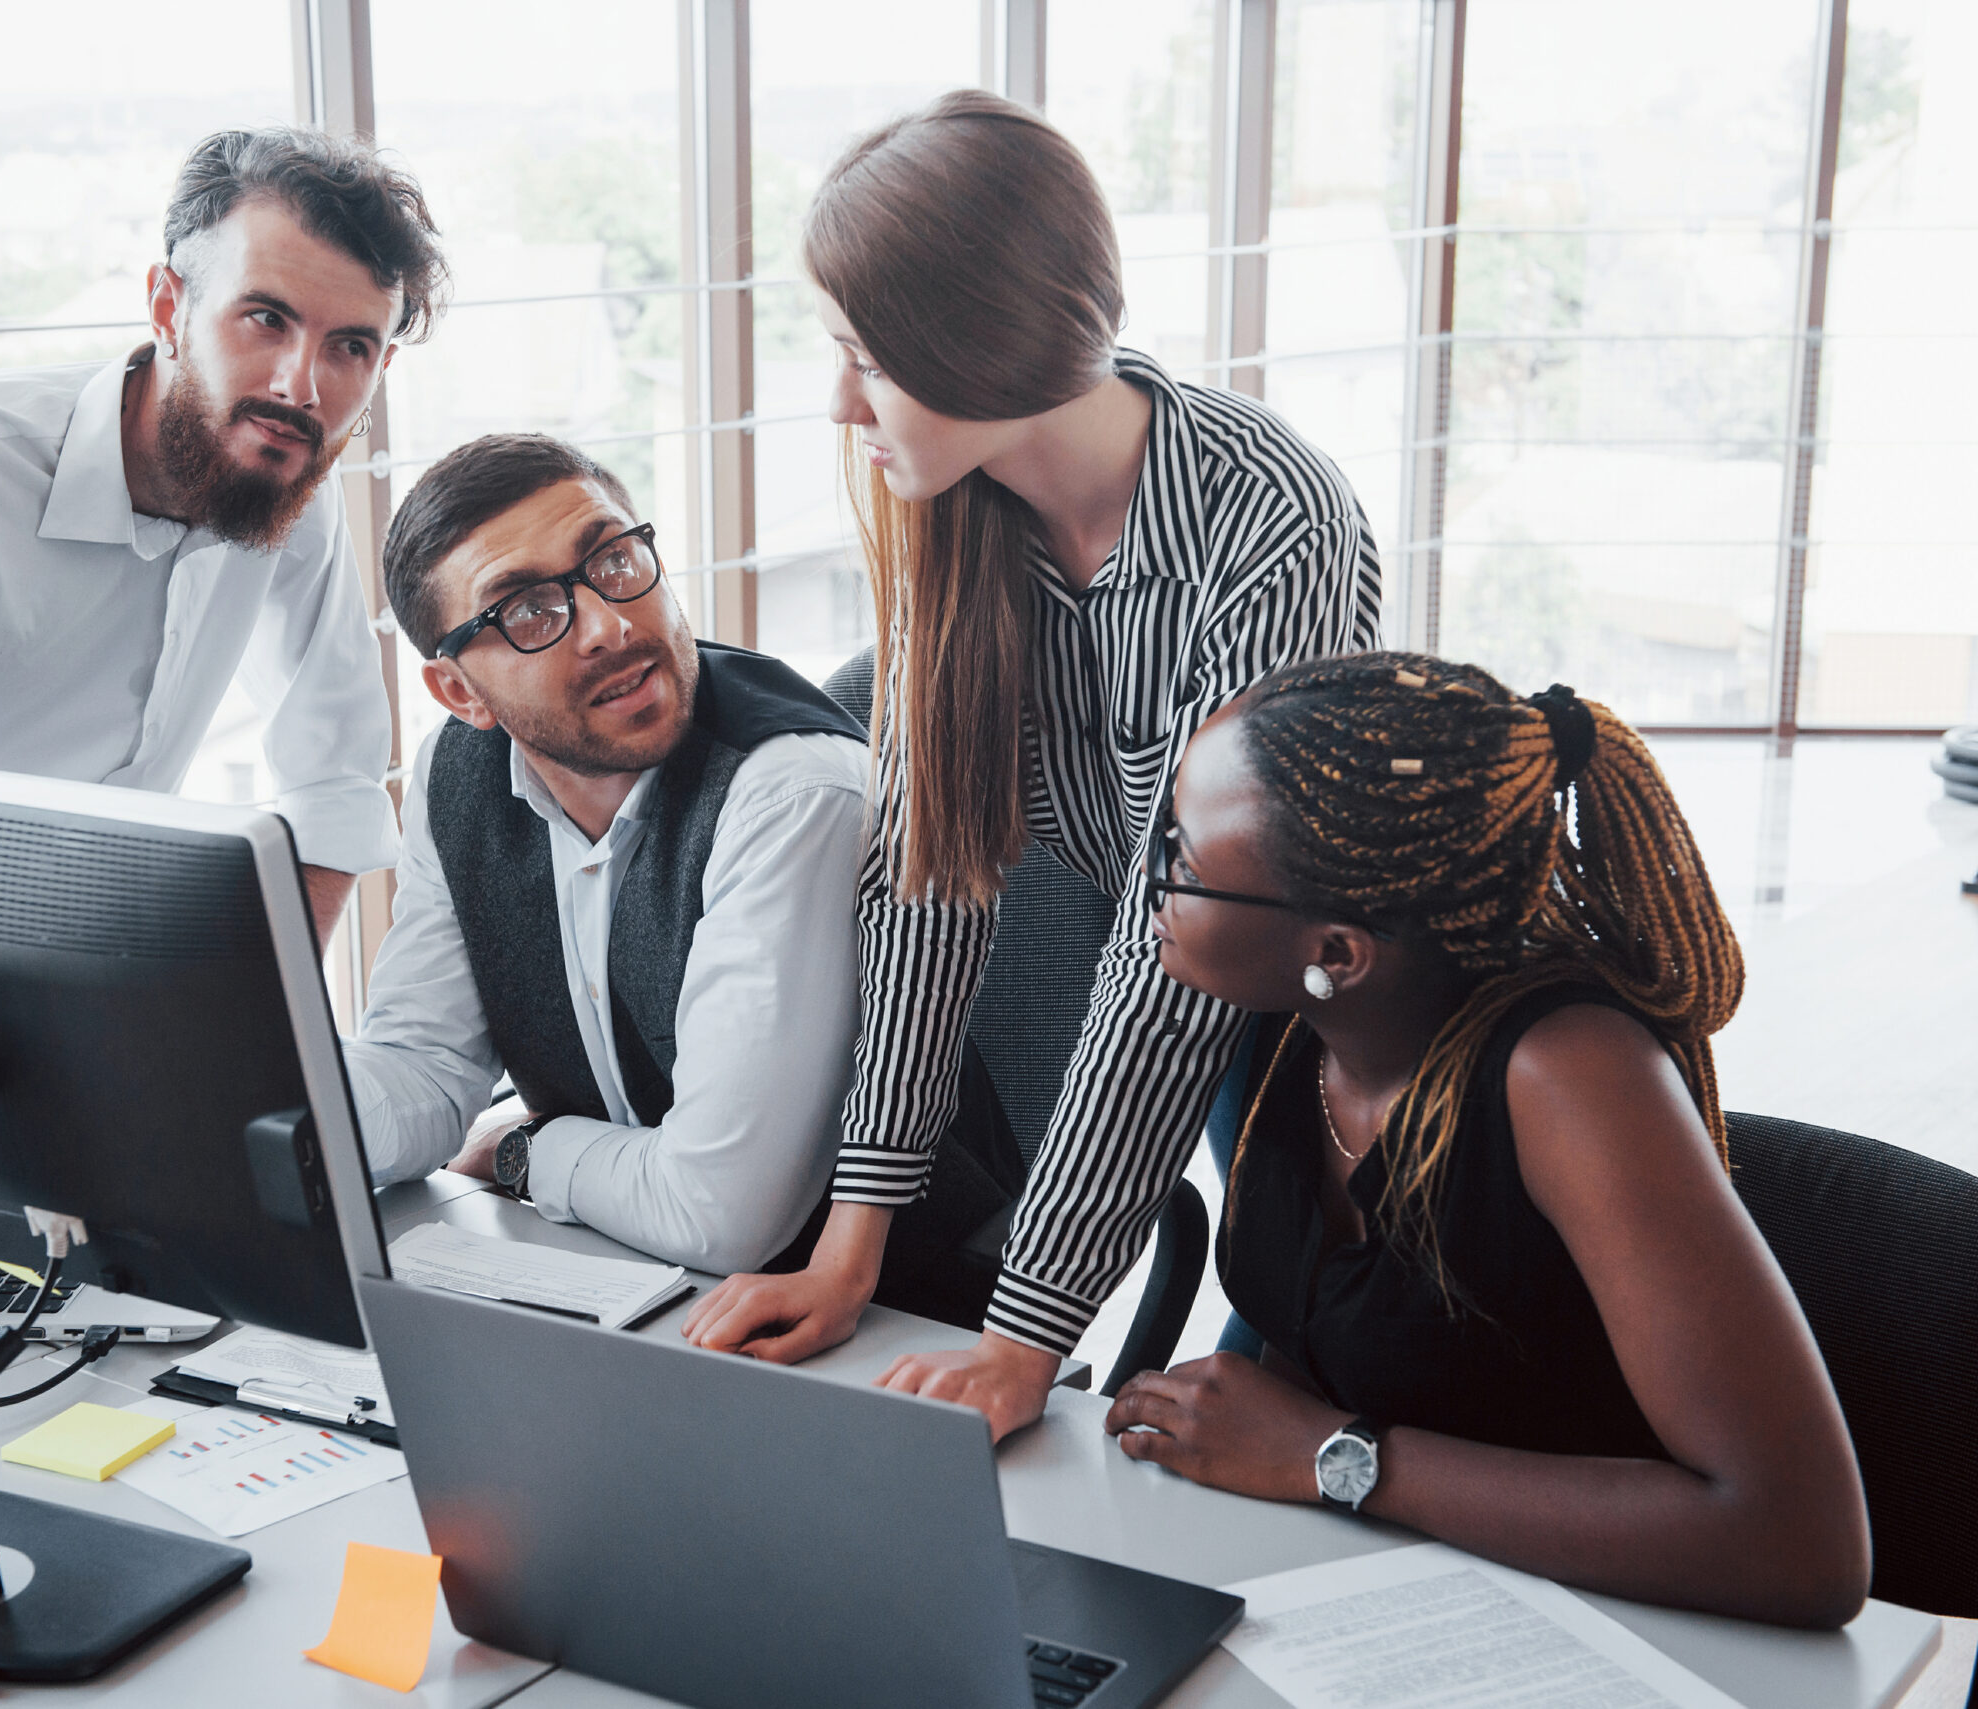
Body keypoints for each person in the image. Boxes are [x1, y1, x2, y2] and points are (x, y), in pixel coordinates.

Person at [683, 90, 1379, 1434]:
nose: (839, 404)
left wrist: (1025, 1331)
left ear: (980, 346)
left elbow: (1174, 957)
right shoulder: (954, 518)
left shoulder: (1273, 525)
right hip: (1189, 959)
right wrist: (852, 1240)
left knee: (1321, 1344)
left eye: (864, 358)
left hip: (1348, 1003)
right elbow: (930, 884)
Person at [1103, 652, 1869, 1629]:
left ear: (1334, 951)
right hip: (1367, 1592)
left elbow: (1799, 1540)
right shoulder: (1281, 1025)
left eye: (1184, 859)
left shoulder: (1566, 1074)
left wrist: (1332, 1453)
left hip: (1605, 1632)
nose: (1151, 875)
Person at [0, 127, 446, 935]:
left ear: (379, 369)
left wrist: (267, 1024)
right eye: (265, 318)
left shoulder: (281, 470)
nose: (301, 386)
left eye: (349, 346)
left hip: (122, 974)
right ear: (168, 308)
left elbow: (334, 783)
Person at [345, 433, 870, 1274]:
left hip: (886, 1328)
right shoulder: (458, 771)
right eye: (527, 611)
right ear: (460, 693)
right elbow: (427, 1071)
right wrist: (260, 1095)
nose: (608, 625)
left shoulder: (790, 791)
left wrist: (530, 1149)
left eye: (615, 560)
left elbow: (720, 1212)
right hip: (614, 1279)